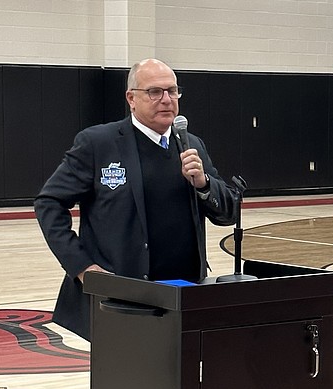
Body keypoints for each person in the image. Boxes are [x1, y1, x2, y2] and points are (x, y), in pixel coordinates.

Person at [35, 58, 237, 340]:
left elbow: (227, 214)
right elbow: (49, 203)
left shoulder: (192, 144)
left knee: (178, 380)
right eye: (155, 92)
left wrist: (204, 184)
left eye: (172, 91)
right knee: (123, 380)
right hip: (120, 297)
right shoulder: (98, 143)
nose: (166, 100)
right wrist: (81, 267)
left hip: (182, 294)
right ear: (132, 98)